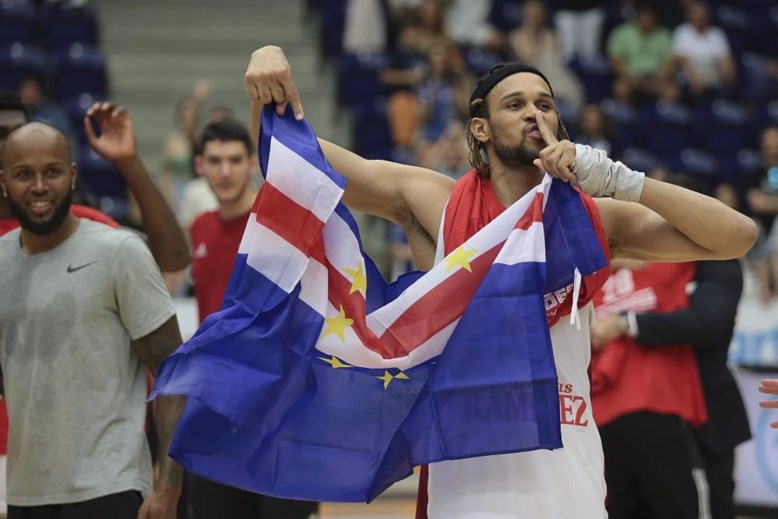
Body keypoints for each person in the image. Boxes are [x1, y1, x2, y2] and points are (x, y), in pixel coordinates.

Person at [243, 45, 757, 518]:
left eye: (546, 104)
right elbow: (290, 161)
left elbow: (736, 236)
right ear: (481, 129)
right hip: (465, 476)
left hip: (566, 469)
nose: (536, 113)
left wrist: (624, 182)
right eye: (515, 104)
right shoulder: (436, 202)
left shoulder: (594, 217)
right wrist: (268, 77)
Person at [0, 121, 186, 517]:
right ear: (3, 183)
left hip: (110, 489)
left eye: (51, 171)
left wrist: (169, 487)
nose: (38, 186)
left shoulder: (119, 252)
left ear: (71, 175)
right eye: (23, 174)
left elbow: (174, 374)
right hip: (26, 494)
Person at [187, 119, 319, 519]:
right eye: (215, 160)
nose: (224, 171)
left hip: (279, 411)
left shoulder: (275, 228)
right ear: (199, 166)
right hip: (217, 407)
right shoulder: (200, 227)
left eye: (234, 160)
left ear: (251, 165)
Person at [607, 3, 675, 104]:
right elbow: (616, 61)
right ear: (637, 18)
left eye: (649, 18)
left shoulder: (663, 35)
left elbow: (670, 62)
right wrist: (631, 79)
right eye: (644, 18)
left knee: (671, 92)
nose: (646, 21)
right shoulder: (622, 33)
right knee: (621, 89)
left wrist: (660, 80)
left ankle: (663, 117)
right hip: (630, 78)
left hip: (656, 78)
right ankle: (625, 117)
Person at [672, 1, 736, 102]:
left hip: (713, 76)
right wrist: (695, 81)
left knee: (725, 89)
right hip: (692, 79)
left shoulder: (716, 34)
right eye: (695, 15)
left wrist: (727, 77)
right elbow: (683, 61)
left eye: (701, 16)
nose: (698, 19)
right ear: (690, 17)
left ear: (706, 17)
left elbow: (725, 60)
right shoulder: (682, 32)